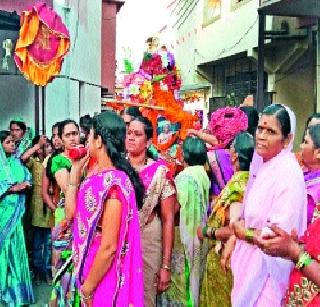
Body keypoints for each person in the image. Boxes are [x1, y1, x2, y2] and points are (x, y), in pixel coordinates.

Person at [231, 104, 307, 307]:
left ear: (287, 140)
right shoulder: (264, 166)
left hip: (267, 275)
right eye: (260, 129)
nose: (262, 136)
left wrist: (243, 232)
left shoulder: (288, 172)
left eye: (271, 131)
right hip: (249, 267)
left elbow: (277, 237)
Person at [66, 111, 144, 306]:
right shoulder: (95, 176)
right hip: (88, 265)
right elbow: (71, 215)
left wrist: (88, 288)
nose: (86, 142)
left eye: (89, 136)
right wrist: (75, 173)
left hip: (103, 275)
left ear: (99, 141)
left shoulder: (114, 185)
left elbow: (109, 247)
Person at [198, 132, 254, 307]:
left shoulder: (238, 187)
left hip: (225, 264)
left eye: (231, 147)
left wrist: (208, 231)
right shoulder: (249, 182)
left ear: (235, 155)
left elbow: (235, 228)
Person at [126, 116, 176, 307]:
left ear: (148, 142)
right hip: (119, 239)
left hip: (148, 237)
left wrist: (166, 265)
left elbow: (168, 218)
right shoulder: (116, 168)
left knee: (145, 295)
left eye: (137, 134)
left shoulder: (160, 172)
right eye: (129, 133)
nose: (131, 138)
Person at [159, 136, 210, 306]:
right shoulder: (203, 174)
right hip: (199, 235)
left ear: (184, 155)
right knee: (195, 278)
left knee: (182, 283)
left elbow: (173, 209)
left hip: (183, 238)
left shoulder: (185, 178)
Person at [0, 130, 34, 305]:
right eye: (7, 142)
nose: (12, 145)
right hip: (3, 214)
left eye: (13, 142)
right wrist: (13, 188)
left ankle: (17, 294)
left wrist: (25, 185)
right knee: (4, 250)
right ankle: (4, 291)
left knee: (16, 250)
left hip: (17, 214)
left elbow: (28, 179)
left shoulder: (16, 163)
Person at [50, 119, 81, 306]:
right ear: (61, 139)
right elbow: (69, 189)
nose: (72, 138)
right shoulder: (59, 161)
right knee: (63, 269)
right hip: (66, 217)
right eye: (67, 135)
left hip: (84, 217)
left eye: (74, 133)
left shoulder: (86, 156)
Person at [26, 135, 54, 285]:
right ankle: (37, 273)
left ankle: (48, 272)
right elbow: (23, 159)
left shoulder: (53, 161)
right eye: (44, 145)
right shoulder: (34, 162)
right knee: (37, 244)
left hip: (50, 207)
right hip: (37, 207)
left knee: (49, 243)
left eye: (48, 145)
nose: (46, 148)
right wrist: (37, 146)